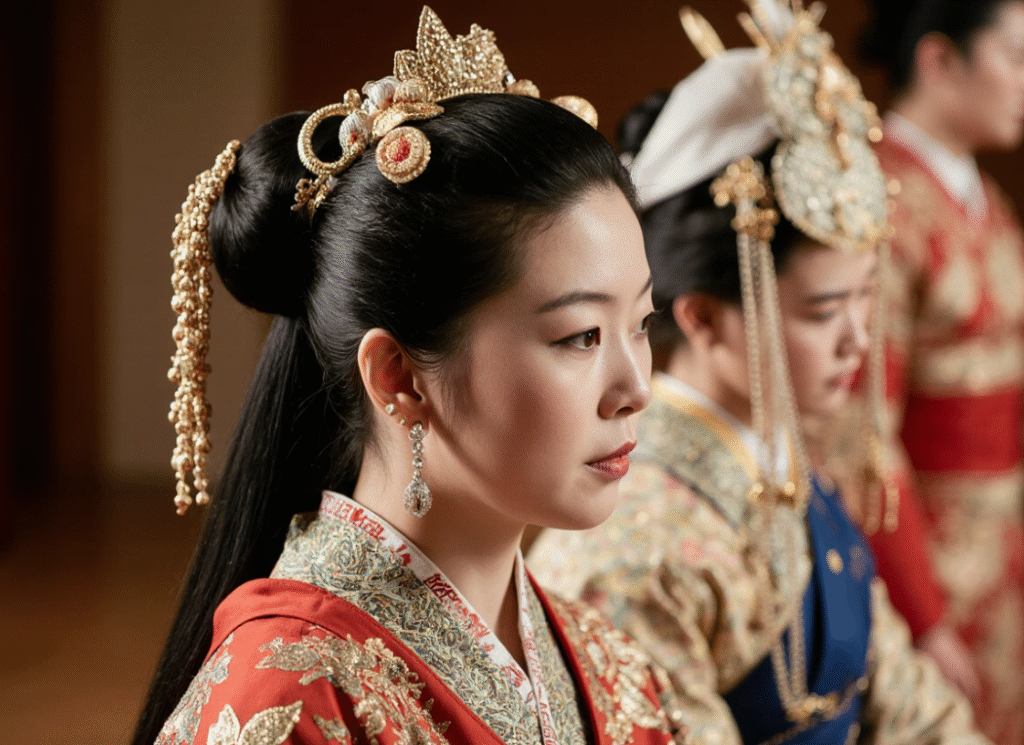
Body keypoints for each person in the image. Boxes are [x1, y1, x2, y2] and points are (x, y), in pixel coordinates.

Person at [132, 8, 683, 745]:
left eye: (641, 324)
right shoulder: (283, 696)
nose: (635, 386)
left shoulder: (607, 663)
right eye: (580, 335)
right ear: (400, 378)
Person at [528, 3, 991, 743]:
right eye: (822, 311)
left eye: (866, 300)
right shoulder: (630, 547)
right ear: (703, 317)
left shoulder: (789, 466)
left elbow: (908, 703)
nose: (857, 340)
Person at [819, 2, 1024, 740]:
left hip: (1004, 544)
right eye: (1016, 59)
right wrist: (920, 610)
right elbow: (858, 431)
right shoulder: (880, 202)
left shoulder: (983, 198)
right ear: (941, 61)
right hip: (927, 555)